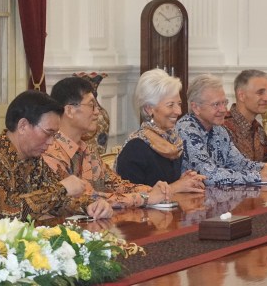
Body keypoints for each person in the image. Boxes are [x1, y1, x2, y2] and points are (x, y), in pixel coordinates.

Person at [0, 90, 112, 230]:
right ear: (23, 126)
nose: (51, 142)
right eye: (48, 133)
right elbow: (9, 212)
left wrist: (91, 205)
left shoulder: (34, 159)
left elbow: (57, 201)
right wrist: (62, 189)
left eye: (54, 135)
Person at [43, 76, 172, 209]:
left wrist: (152, 190)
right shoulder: (50, 151)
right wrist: (145, 198)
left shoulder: (87, 150)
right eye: (92, 105)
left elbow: (116, 185)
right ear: (70, 110)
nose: (97, 112)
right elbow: (87, 199)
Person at [176, 74, 267, 186]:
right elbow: (209, 176)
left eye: (224, 103)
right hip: (191, 200)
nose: (223, 110)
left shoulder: (219, 130)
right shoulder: (186, 130)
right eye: (216, 104)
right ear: (196, 108)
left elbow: (240, 163)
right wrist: (260, 175)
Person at [115, 69, 206, 192]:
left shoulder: (174, 141)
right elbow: (130, 196)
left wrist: (186, 180)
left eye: (179, 104)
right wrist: (176, 187)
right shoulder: (135, 148)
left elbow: (164, 182)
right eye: (170, 105)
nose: (178, 111)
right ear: (148, 109)